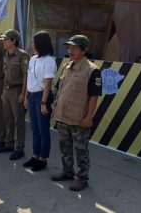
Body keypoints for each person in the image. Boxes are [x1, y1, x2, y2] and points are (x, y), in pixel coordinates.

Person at [50, 35, 102, 192]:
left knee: (81, 150)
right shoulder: (67, 66)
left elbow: (94, 96)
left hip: (79, 119)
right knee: (64, 147)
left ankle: (82, 178)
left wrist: (89, 117)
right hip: (63, 116)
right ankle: (67, 172)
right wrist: (55, 108)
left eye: (74, 47)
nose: (70, 50)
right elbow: (60, 90)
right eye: (69, 47)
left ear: (84, 50)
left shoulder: (92, 70)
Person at [23, 31, 57, 171]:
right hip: (31, 95)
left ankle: (43, 159)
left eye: (34, 42)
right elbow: (30, 78)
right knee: (34, 129)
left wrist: (43, 103)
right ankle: (35, 155)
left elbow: (48, 83)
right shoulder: (33, 59)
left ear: (41, 43)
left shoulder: (49, 60)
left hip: (42, 96)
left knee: (43, 130)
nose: (32, 45)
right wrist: (26, 96)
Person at [0, 29, 29, 160]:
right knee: (7, 119)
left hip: (17, 90)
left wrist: (23, 93)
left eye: (6, 39)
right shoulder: (6, 55)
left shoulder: (22, 55)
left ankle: (19, 148)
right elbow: (5, 74)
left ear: (14, 41)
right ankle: (9, 143)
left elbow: (26, 75)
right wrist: (4, 91)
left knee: (18, 120)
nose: (4, 42)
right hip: (7, 90)